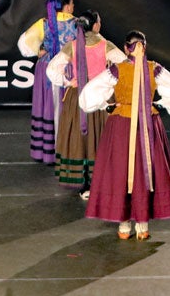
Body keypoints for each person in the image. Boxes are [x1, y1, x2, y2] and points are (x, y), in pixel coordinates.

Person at [80, 31, 170, 241]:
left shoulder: (117, 70)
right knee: (144, 171)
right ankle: (142, 226)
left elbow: (88, 95)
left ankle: (123, 226)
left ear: (125, 47)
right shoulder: (153, 69)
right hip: (148, 124)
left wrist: (107, 105)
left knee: (121, 171)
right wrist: (161, 104)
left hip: (121, 125)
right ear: (144, 47)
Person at [47, 11, 126, 197]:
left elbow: (52, 69)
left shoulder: (72, 46)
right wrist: (109, 81)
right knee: (99, 137)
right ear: (96, 26)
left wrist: (68, 82)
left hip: (79, 95)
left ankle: (85, 183)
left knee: (80, 140)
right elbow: (124, 64)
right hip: (100, 96)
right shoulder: (105, 45)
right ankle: (101, 180)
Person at [16, 0, 76, 165]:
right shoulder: (76, 23)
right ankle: (68, 148)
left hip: (47, 67)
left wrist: (39, 50)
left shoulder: (44, 23)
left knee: (49, 105)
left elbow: (24, 44)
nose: (73, 8)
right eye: (71, 4)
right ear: (66, 7)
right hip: (69, 69)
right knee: (68, 105)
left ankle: (49, 151)